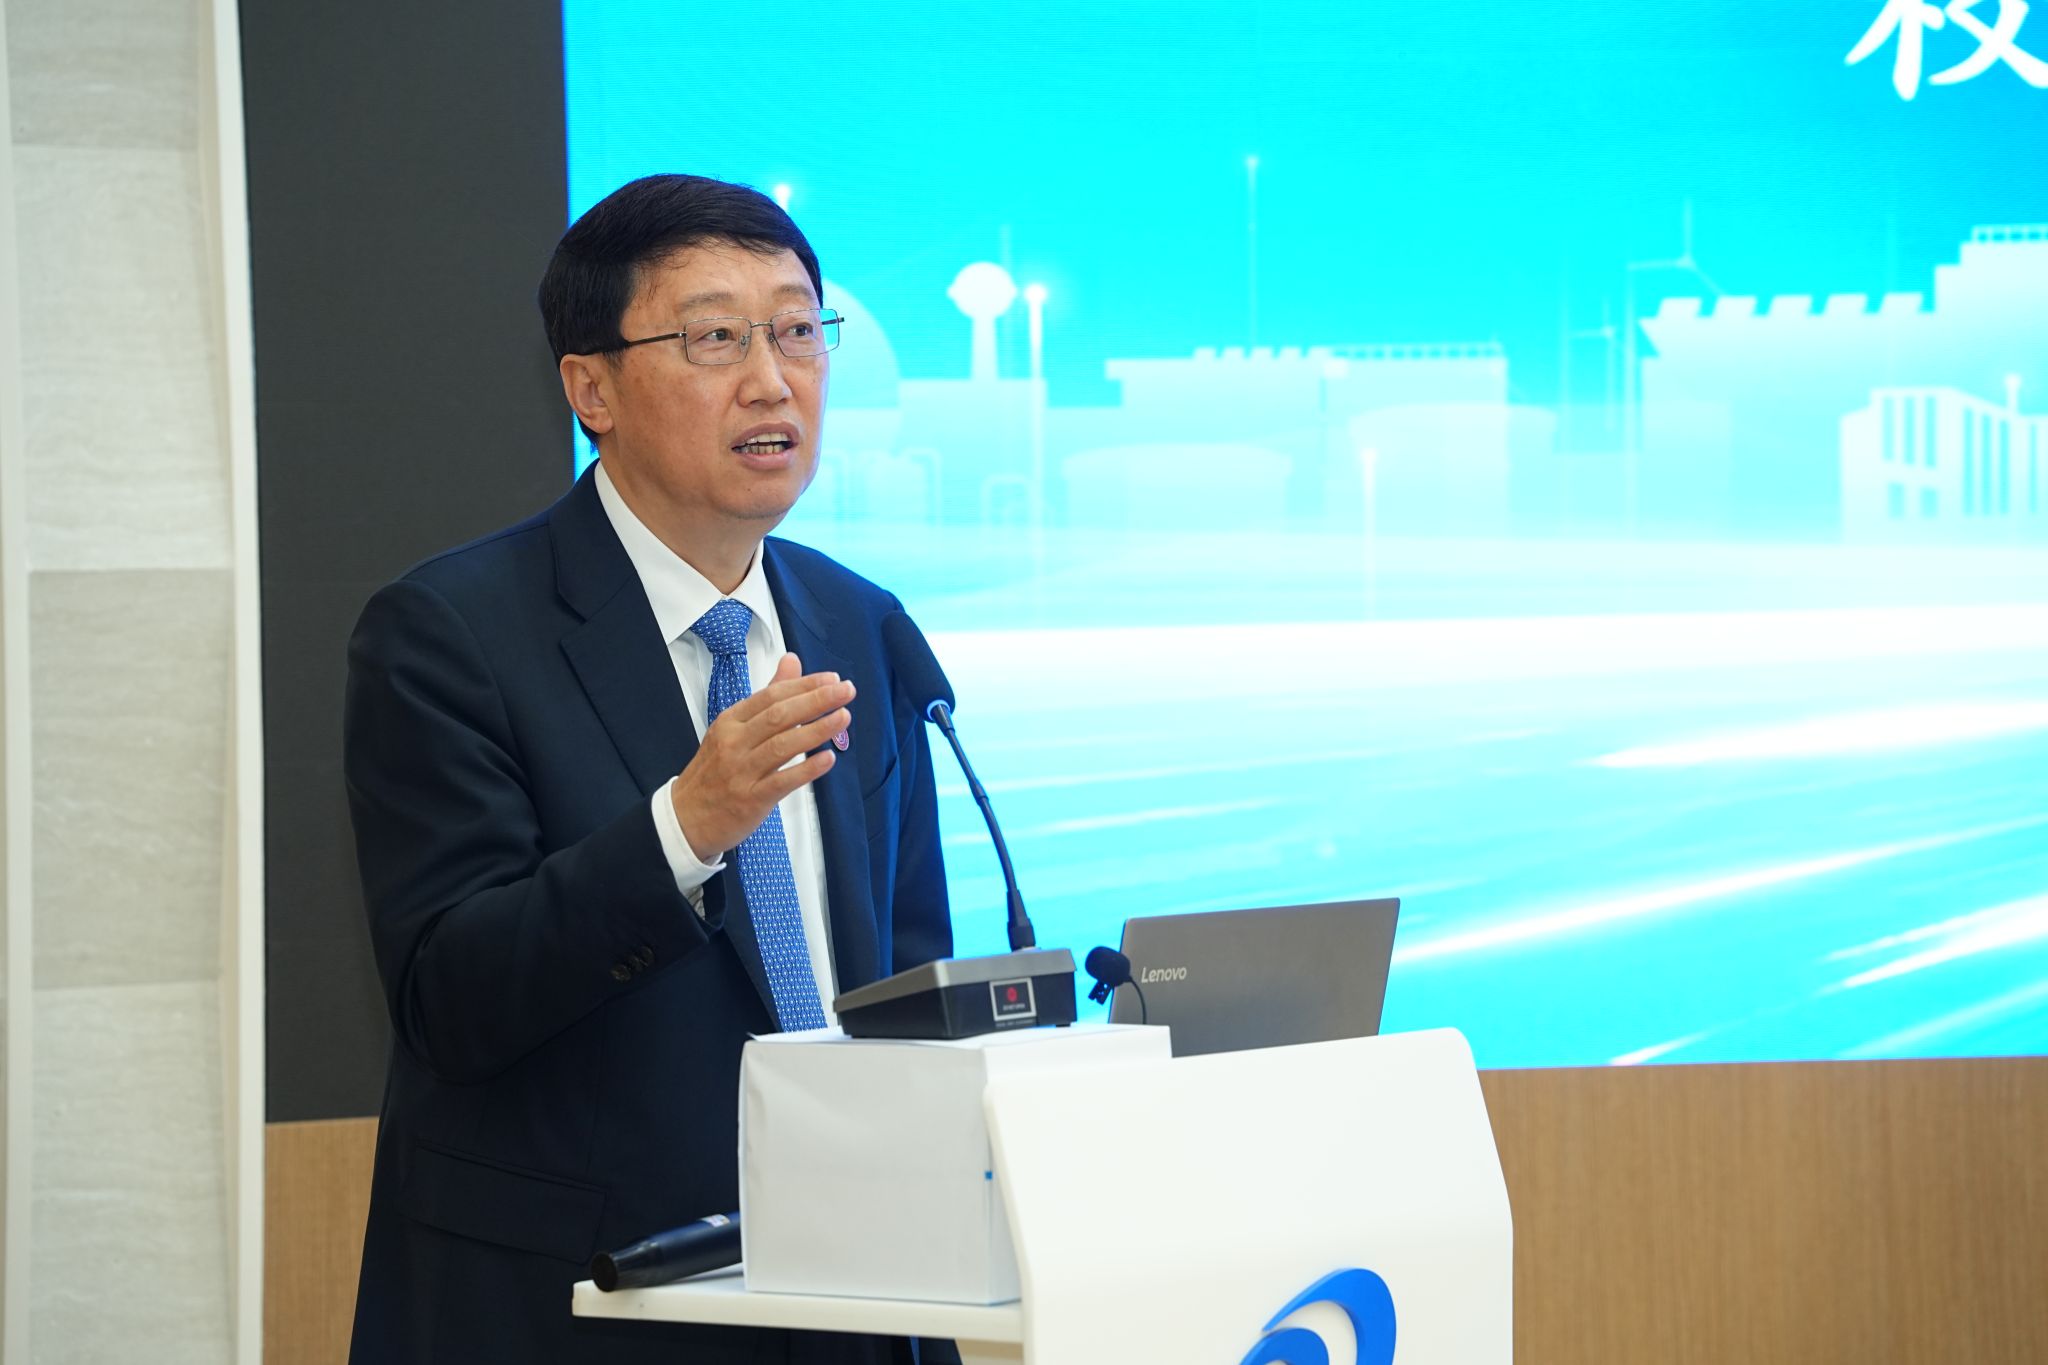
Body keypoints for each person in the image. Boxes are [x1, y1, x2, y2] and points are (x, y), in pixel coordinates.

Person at [344, 174, 957, 1365]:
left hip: (848, 1288)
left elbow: (905, 973)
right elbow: (448, 999)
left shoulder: (860, 623)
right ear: (591, 390)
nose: (772, 380)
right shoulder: (449, 633)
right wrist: (685, 825)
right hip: (586, 1304)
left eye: (798, 331)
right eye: (715, 339)